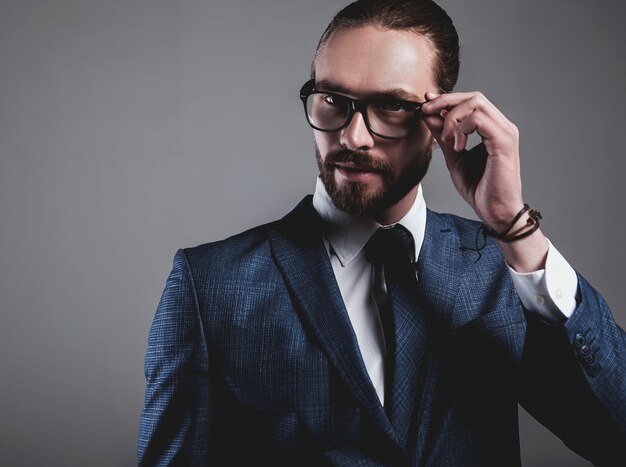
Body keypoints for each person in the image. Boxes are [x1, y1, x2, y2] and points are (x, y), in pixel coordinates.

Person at [137, 0, 626, 465]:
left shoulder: (500, 267)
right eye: (333, 99)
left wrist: (514, 230)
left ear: (444, 116)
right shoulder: (211, 286)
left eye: (391, 105)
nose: (352, 137)